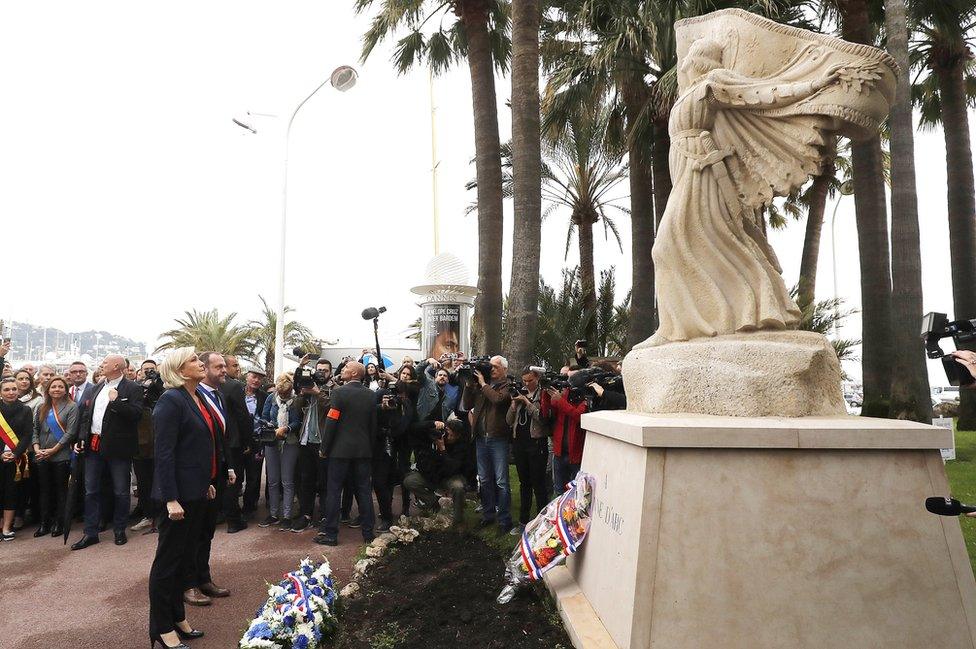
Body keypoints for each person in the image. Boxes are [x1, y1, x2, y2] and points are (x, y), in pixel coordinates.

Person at [148, 348, 219, 649]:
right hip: (177, 498)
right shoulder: (170, 401)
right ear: (178, 369)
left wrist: (206, 483)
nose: (200, 362)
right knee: (167, 563)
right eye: (193, 360)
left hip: (196, 492)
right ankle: (161, 628)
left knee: (184, 560)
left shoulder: (196, 396)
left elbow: (198, 447)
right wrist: (170, 498)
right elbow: (164, 454)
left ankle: (177, 617)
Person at [71, 354, 144, 550]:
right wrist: (80, 439)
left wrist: (117, 402)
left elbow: (136, 415)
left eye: (105, 363)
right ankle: (90, 532)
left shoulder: (133, 388)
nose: (101, 365)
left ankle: (119, 529)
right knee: (91, 490)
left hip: (118, 448)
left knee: (121, 491)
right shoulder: (96, 388)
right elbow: (87, 416)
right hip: (93, 445)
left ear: (117, 366)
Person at [184, 352, 234, 606]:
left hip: (215, 472)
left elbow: (220, 436)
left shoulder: (218, 395)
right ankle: (188, 583)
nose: (224, 370)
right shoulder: (190, 396)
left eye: (225, 365)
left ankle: (203, 578)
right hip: (195, 477)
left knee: (207, 531)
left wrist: (229, 467)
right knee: (191, 534)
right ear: (205, 368)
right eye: (219, 366)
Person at [315, 362, 377, 546]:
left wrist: (324, 448)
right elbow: (373, 426)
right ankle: (368, 534)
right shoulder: (371, 395)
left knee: (334, 491)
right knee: (364, 491)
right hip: (363, 452)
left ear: (354, 373)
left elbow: (332, 421)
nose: (342, 370)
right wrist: (369, 448)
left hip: (339, 452)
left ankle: (331, 534)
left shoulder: (339, 393)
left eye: (345, 369)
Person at [462, 355, 514, 533]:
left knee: (501, 481)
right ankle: (488, 514)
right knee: (484, 479)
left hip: (498, 438)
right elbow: (466, 404)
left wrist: (483, 384)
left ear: (504, 369)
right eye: (490, 366)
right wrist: (470, 385)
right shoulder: (481, 385)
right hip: (481, 438)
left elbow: (499, 400)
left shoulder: (508, 385)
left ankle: (504, 519)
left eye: (496, 367)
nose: (492, 369)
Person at [32, 376, 78, 537]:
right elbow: (35, 429)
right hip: (42, 455)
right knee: (44, 490)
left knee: (60, 491)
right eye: (53, 387)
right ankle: (45, 523)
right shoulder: (41, 407)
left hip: (61, 455)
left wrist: (53, 450)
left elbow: (71, 433)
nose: (56, 389)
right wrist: (37, 448)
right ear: (48, 390)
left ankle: (60, 522)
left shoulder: (72, 407)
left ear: (66, 389)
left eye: (60, 386)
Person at [506, 367, 551, 529]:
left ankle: (542, 522)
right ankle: (523, 521)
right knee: (524, 483)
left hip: (536, 443)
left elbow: (543, 419)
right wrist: (513, 404)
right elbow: (509, 421)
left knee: (538, 483)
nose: (526, 384)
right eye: (524, 380)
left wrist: (527, 402)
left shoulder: (543, 394)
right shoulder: (519, 392)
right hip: (520, 443)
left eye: (530, 380)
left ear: (537, 378)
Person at [403, 418, 471, 525]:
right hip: (431, 475)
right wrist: (432, 423)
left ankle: (458, 520)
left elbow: (452, 467)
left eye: (451, 436)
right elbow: (413, 428)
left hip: (450, 477)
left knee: (458, 487)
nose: (447, 437)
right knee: (410, 481)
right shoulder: (436, 435)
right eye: (447, 433)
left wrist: (443, 450)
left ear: (458, 436)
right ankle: (434, 503)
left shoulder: (461, 446)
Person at [292, 356, 331, 533]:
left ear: (330, 373)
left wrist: (317, 393)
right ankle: (306, 514)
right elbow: (296, 407)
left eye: (325, 370)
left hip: (322, 442)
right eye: (319, 369)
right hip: (305, 440)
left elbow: (332, 408)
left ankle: (325, 516)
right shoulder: (307, 386)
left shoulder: (334, 389)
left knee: (324, 481)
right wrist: (302, 393)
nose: (321, 372)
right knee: (305, 480)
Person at [259, 373, 301, 528]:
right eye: (280, 392)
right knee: (273, 480)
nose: (282, 395)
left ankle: (287, 516)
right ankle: (273, 514)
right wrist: (270, 426)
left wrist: (287, 428)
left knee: (287, 480)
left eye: (286, 393)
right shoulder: (271, 398)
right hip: (272, 442)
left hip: (290, 442)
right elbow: (263, 416)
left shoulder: (296, 400)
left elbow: (298, 421)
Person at [219, 354, 251, 534]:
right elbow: (242, 415)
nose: (237, 368)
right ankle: (233, 520)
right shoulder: (234, 385)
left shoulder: (207, 385)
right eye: (234, 365)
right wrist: (248, 440)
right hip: (232, 442)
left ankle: (221, 515)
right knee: (233, 480)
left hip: (219, 441)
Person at [132, 359, 164, 533]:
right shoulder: (136, 388)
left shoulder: (163, 387)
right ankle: (148, 515)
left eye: (152, 369)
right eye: (146, 370)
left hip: (158, 443)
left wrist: (157, 384)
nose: (149, 372)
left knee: (158, 480)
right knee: (144, 482)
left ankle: (160, 516)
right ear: (140, 371)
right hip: (141, 444)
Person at [0, 377, 32, 540]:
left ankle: (6, 528)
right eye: (6, 389)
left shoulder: (25, 410)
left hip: (16, 459)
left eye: (14, 389)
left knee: (10, 493)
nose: (11, 392)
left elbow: (27, 435)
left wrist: (15, 453)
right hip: (0, 456)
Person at [543, 381, 587, 496]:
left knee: (575, 492)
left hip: (575, 455)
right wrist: (546, 394)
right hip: (559, 452)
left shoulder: (584, 398)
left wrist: (560, 400)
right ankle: (558, 513)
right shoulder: (564, 395)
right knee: (559, 491)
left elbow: (579, 416)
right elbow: (546, 412)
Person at [241, 368, 268, 520]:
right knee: (236, 475)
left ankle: (249, 507)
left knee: (254, 475)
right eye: (254, 377)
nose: (256, 380)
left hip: (257, 440)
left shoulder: (264, 396)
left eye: (259, 378)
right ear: (247, 377)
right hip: (239, 440)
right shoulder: (237, 393)